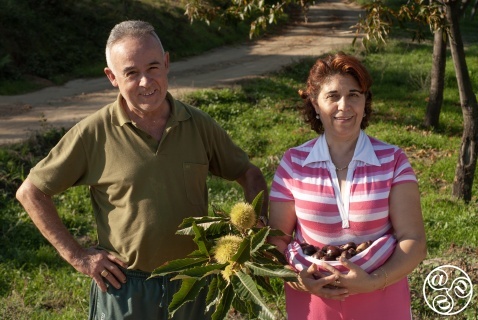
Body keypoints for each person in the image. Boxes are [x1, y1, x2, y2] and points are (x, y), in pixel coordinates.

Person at [16, 20, 268, 320]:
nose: (146, 82)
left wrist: (251, 230)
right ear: (112, 77)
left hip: (192, 281)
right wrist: (79, 257)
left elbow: (250, 174)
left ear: (166, 63)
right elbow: (31, 192)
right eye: (131, 73)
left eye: (152, 68)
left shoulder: (197, 124)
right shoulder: (93, 133)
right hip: (126, 288)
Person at [268, 52, 426, 320]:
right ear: (315, 104)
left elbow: (414, 241)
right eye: (332, 96)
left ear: (365, 102)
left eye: (354, 95)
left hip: (381, 301)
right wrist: (300, 281)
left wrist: (373, 281)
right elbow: (277, 241)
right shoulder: (294, 163)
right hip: (313, 305)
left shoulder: (392, 160)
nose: (345, 106)